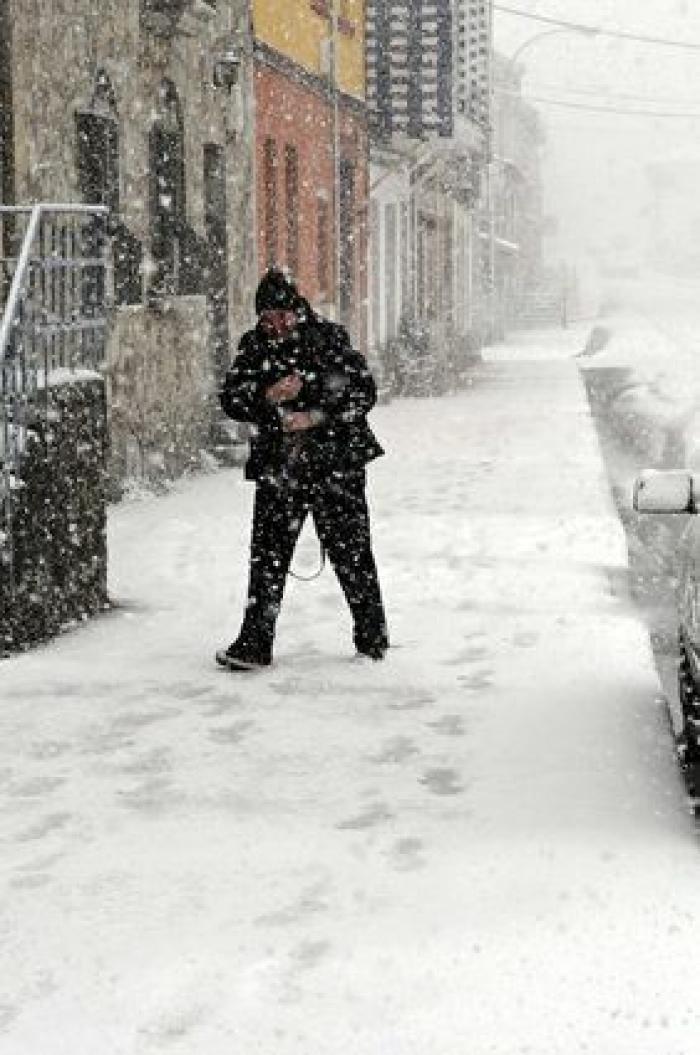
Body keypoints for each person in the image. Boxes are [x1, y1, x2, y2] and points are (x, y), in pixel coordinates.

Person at [216, 268, 389, 672]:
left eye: (282, 315)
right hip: (282, 467)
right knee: (268, 559)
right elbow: (231, 398)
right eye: (267, 318)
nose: (275, 325)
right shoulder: (255, 347)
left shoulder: (329, 340)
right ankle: (255, 643)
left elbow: (363, 392)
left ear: (297, 309)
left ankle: (372, 637)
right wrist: (267, 395)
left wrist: (314, 413)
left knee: (351, 553)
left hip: (335, 465)